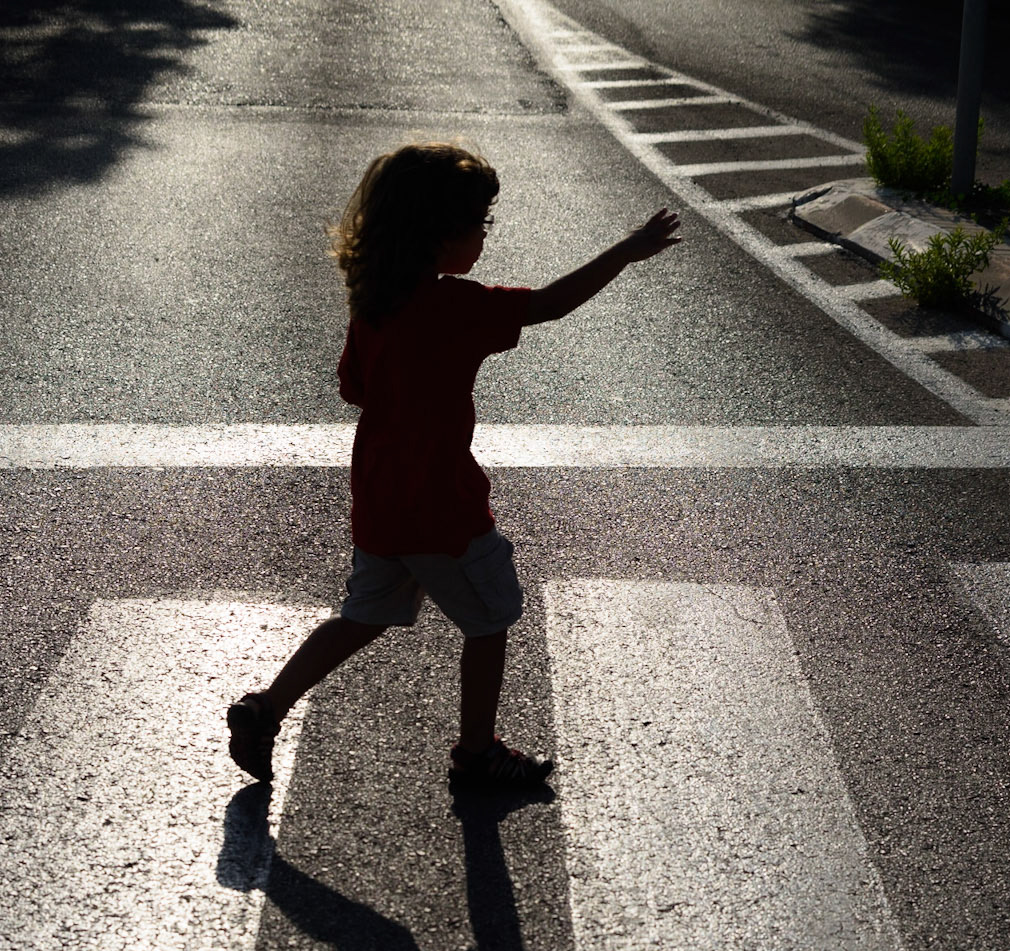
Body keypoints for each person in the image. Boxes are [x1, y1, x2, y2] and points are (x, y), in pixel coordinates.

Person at [227, 143, 681, 789]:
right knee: (490, 619)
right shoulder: (457, 306)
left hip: (381, 500)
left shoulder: (374, 305)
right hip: (441, 505)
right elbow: (549, 304)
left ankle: (266, 708)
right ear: (440, 236)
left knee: (363, 616)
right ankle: (475, 754)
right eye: (480, 223)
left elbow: (354, 389)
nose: (485, 236)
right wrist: (626, 251)